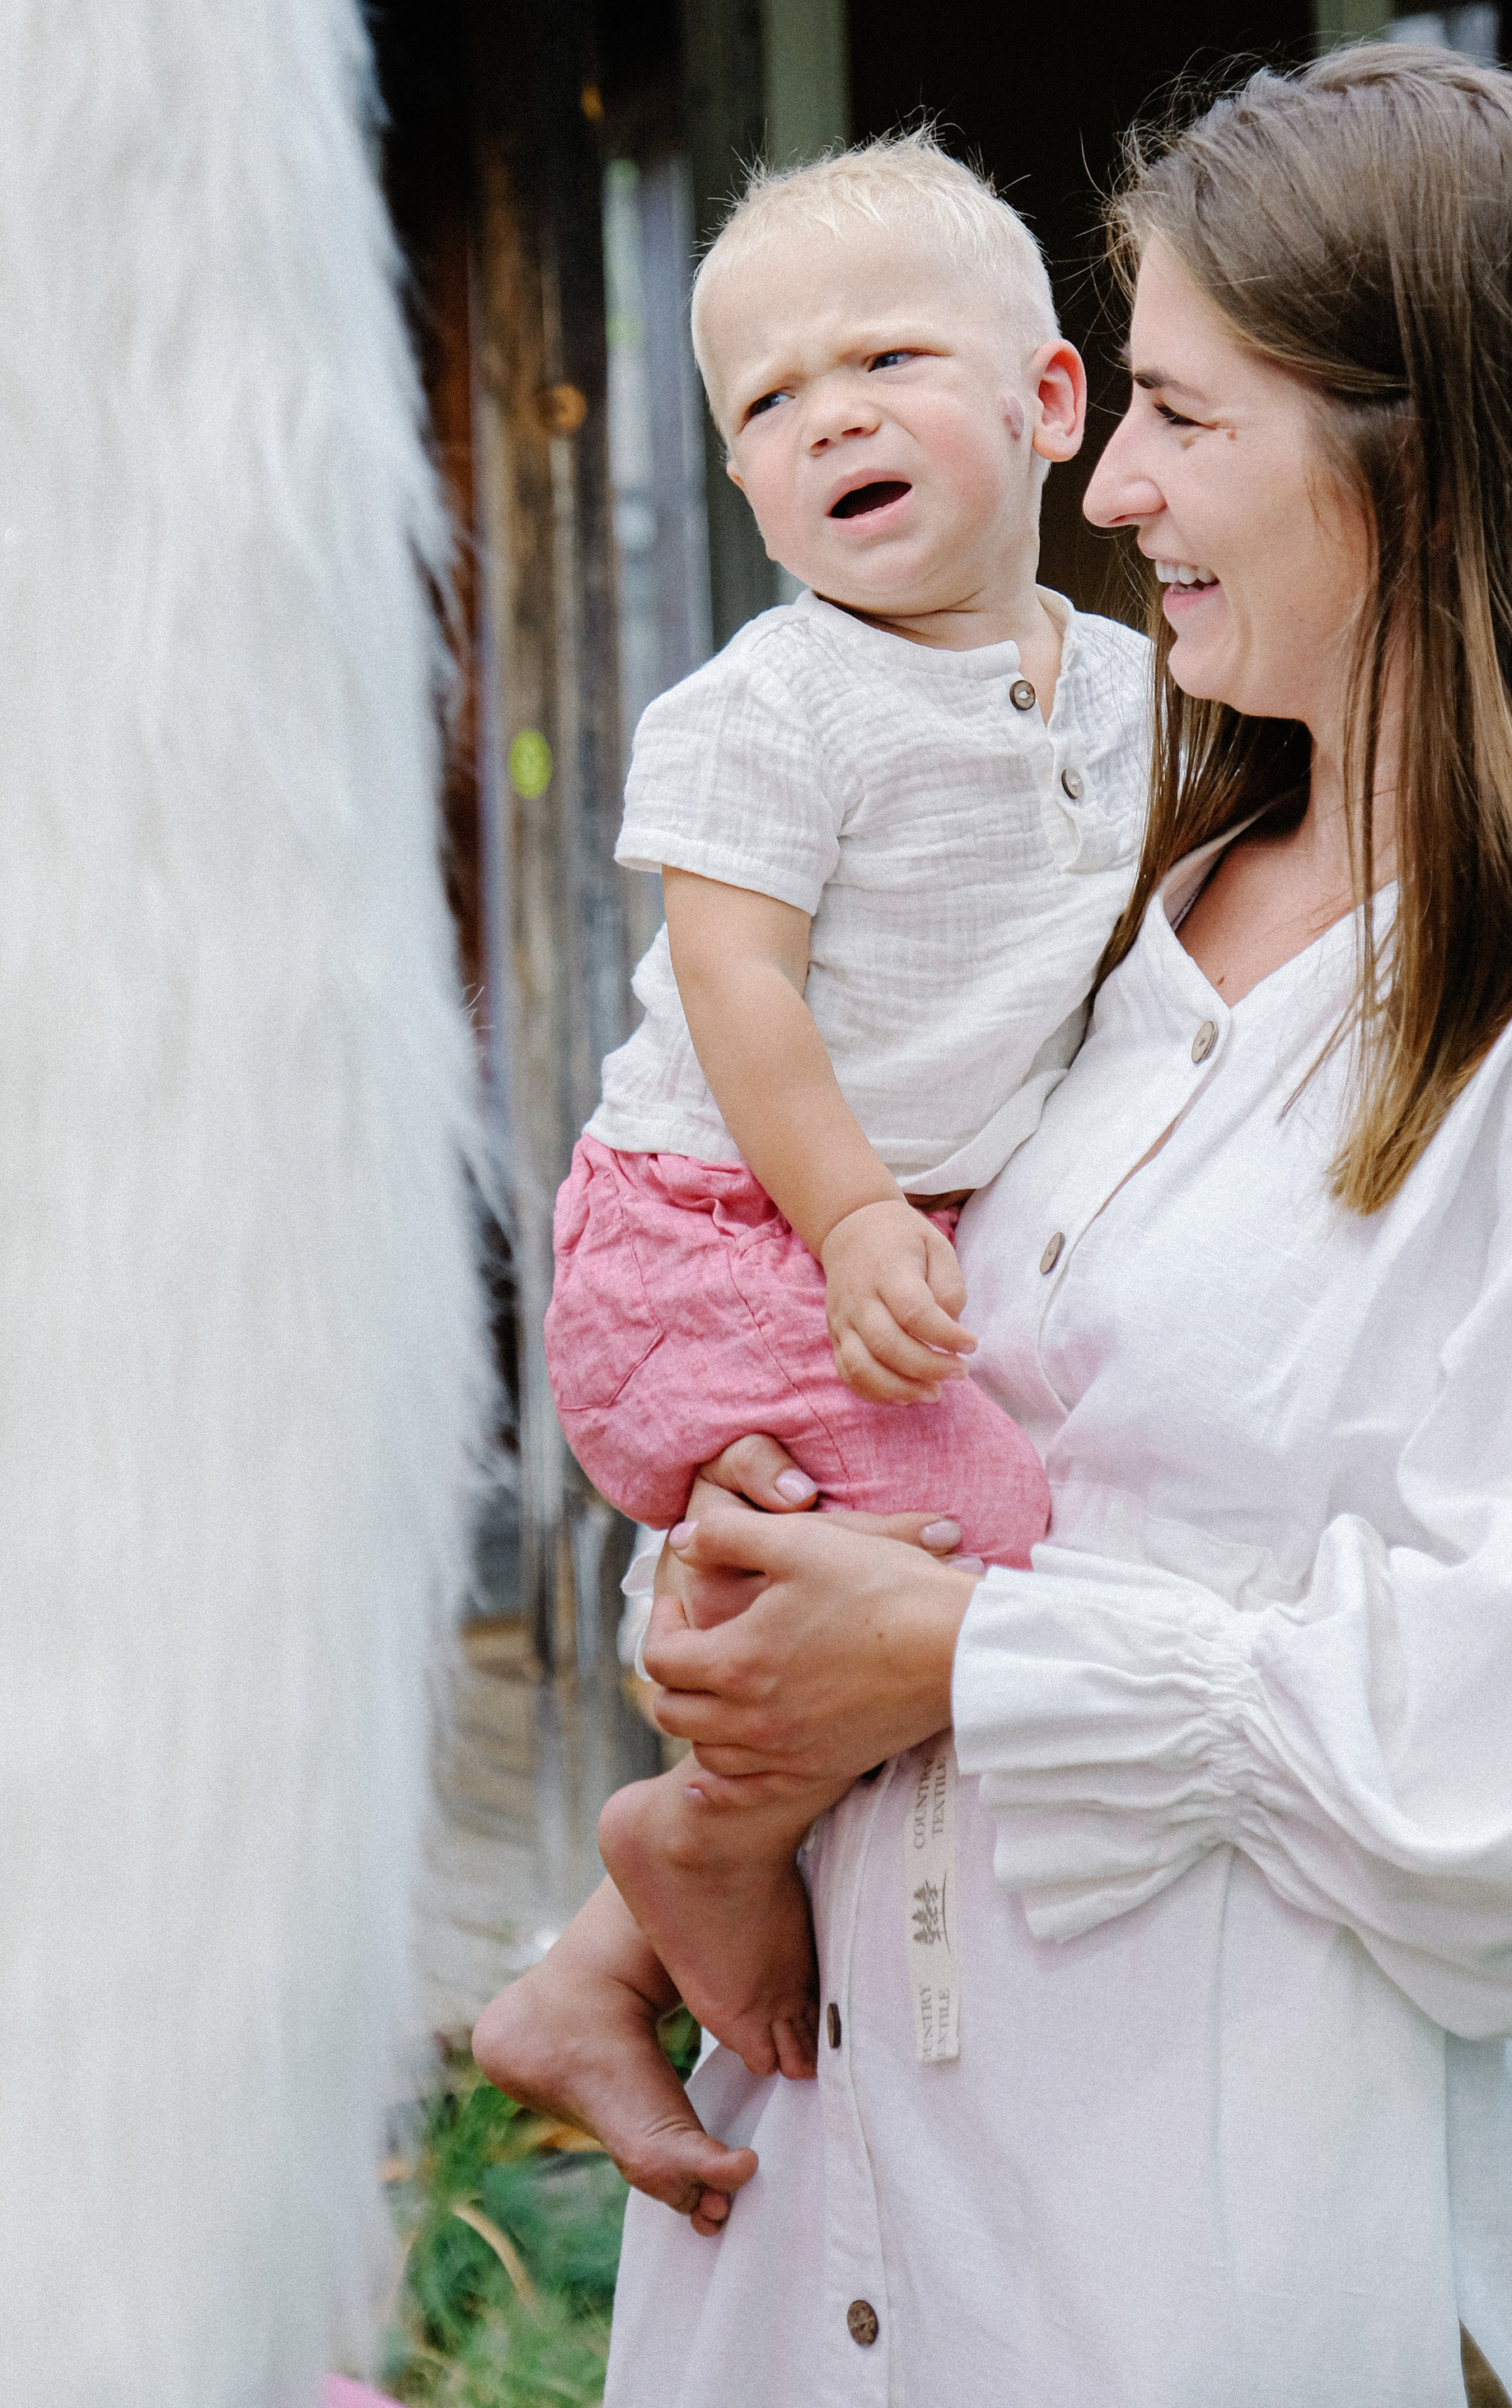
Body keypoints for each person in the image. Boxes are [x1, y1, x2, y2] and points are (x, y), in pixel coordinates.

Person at [597, 47, 1512, 2408]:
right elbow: (989, 1452)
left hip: (1219, 2281)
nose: (1112, 485)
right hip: (828, 2229)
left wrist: (958, 1660)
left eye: (1177, 415)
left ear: (1421, 453)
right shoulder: (1130, 883)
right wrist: (716, 1703)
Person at [476, 133, 1149, 2209]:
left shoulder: (1130, 689)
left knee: (950, 1554)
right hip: (718, 1228)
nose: (825, 413)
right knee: (967, 1546)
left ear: (1050, 406)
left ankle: (582, 1981)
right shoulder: (764, 708)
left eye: (882, 359)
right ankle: (698, 1839)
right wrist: (854, 1212)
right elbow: (737, 989)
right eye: (765, 402)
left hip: (868, 1232)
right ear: (746, 482)